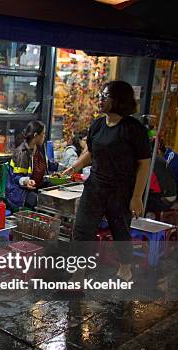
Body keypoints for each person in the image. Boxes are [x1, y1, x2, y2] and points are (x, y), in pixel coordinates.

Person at [63, 81, 151, 282]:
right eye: (101, 95)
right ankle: (78, 273)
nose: (100, 99)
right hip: (95, 186)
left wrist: (137, 197)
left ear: (119, 100)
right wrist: (74, 167)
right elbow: (92, 153)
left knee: (120, 229)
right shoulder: (98, 124)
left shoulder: (133, 129)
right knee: (82, 229)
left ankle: (125, 266)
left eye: (106, 95)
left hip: (120, 189)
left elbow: (143, 165)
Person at [7, 120, 49, 210]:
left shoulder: (39, 148)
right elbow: (16, 177)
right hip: (19, 191)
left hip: (36, 186)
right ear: (35, 136)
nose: (44, 136)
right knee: (38, 200)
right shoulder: (22, 153)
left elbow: (47, 166)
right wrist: (27, 181)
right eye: (43, 134)